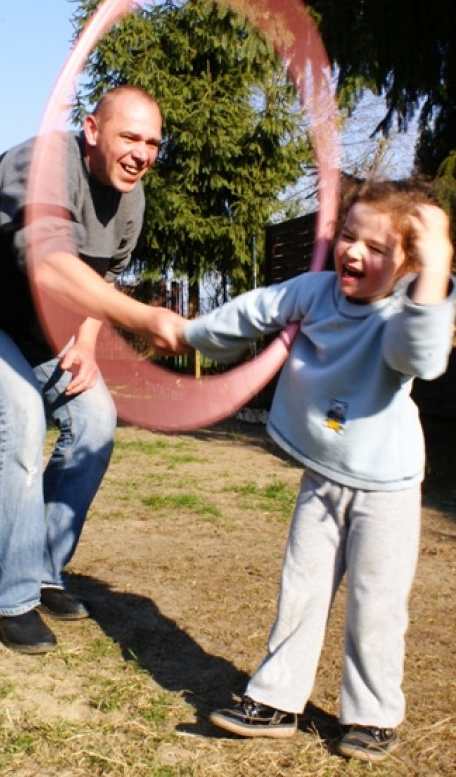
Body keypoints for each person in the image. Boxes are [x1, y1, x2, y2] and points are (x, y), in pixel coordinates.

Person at [178, 179, 454, 763]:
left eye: (377, 249)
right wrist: (185, 334)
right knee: (300, 590)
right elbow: (253, 312)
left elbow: (420, 359)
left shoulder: (404, 312)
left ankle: (373, 716)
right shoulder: (315, 290)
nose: (354, 253)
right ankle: (277, 700)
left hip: (388, 486)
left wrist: (438, 271)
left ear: (406, 265)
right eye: (348, 237)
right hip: (323, 475)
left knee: (376, 605)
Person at [0, 85, 186, 653]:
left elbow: (98, 275)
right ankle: (10, 598)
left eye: (153, 142)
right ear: (91, 128)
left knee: (96, 419)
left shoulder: (131, 201)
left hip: (37, 325)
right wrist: (141, 318)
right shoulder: (38, 164)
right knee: (20, 412)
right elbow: (53, 265)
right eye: (129, 136)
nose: (142, 153)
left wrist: (85, 337)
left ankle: (43, 567)